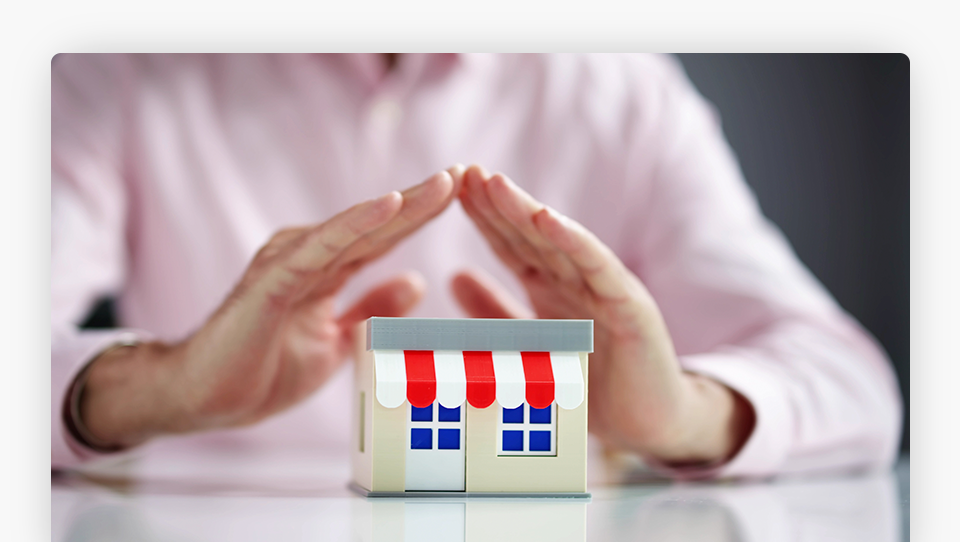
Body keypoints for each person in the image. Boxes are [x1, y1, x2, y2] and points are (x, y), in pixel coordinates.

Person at [51, 53, 902, 478]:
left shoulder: (622, 88)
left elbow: (855, 383)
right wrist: (158, 385)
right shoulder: (120, 66)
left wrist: (682, 415)